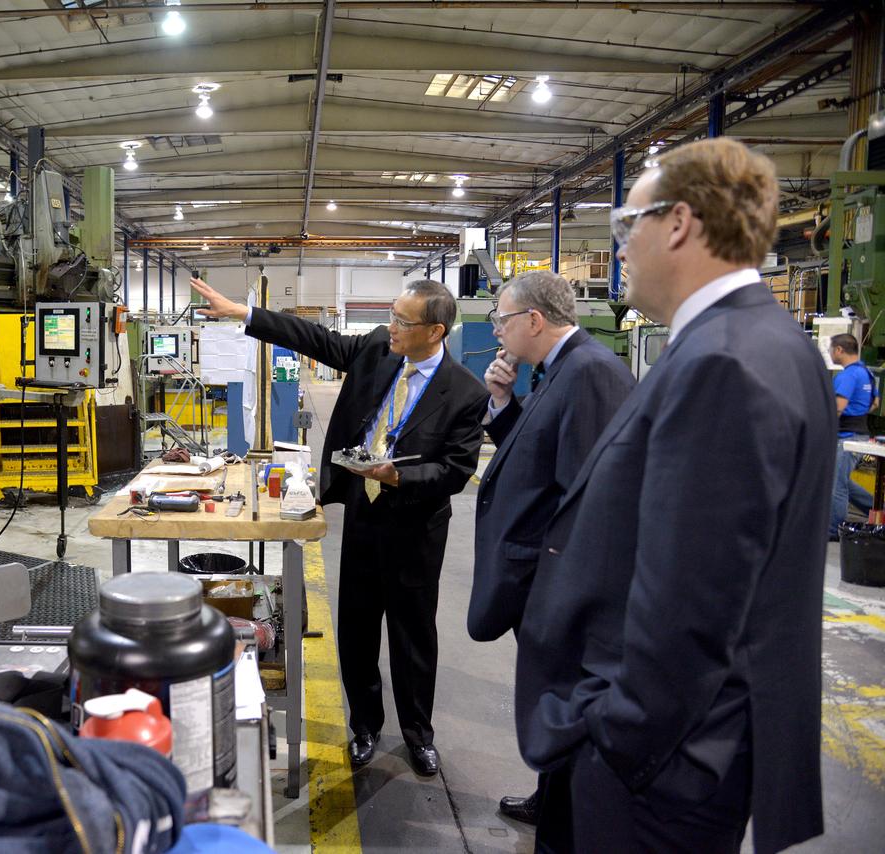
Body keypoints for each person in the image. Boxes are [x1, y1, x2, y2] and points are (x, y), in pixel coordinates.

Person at [515, 138, 834, 853]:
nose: (619, 249)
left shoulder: (724, 361)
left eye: (629, 228)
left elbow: (692, 600)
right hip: (687, 749)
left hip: (662, 766)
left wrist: (615, 733)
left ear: (681, 223)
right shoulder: (759, 340)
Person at [189, 276, 488, 776]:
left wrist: (399, 475)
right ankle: (365, 726)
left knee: (414, 637)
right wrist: (244, 313)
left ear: (435, 331)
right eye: (391, 314)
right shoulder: (377, 348)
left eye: (401, 320)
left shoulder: (465, 392)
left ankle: (418, 734)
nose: (389, 326)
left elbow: (455, 471)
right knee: (356, 627)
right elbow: (316, 339)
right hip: (365, 517)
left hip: (414, 529)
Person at [469, 270, 634, 827]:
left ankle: (565, 809)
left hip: (556, 578)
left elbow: (588, 495)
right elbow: (539, 453)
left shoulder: (589, 374)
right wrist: (501, 401)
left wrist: (558, 587)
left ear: (533, 320)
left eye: (502, 320)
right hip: (540, 572)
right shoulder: (555, 369)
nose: (497, 331)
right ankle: (554, 794)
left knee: (564, 687)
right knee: (552, 688)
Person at [827, 332, 877, 539]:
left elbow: (838, 408)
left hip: (846, 438)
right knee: (843, 482)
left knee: (836, 484)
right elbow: (874, 404)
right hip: (860, 434)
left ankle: (834, 531)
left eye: (831, 349)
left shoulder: (847, 375)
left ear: (839, 350)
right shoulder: (867, 373)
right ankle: (876, 511)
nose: (830, 353)